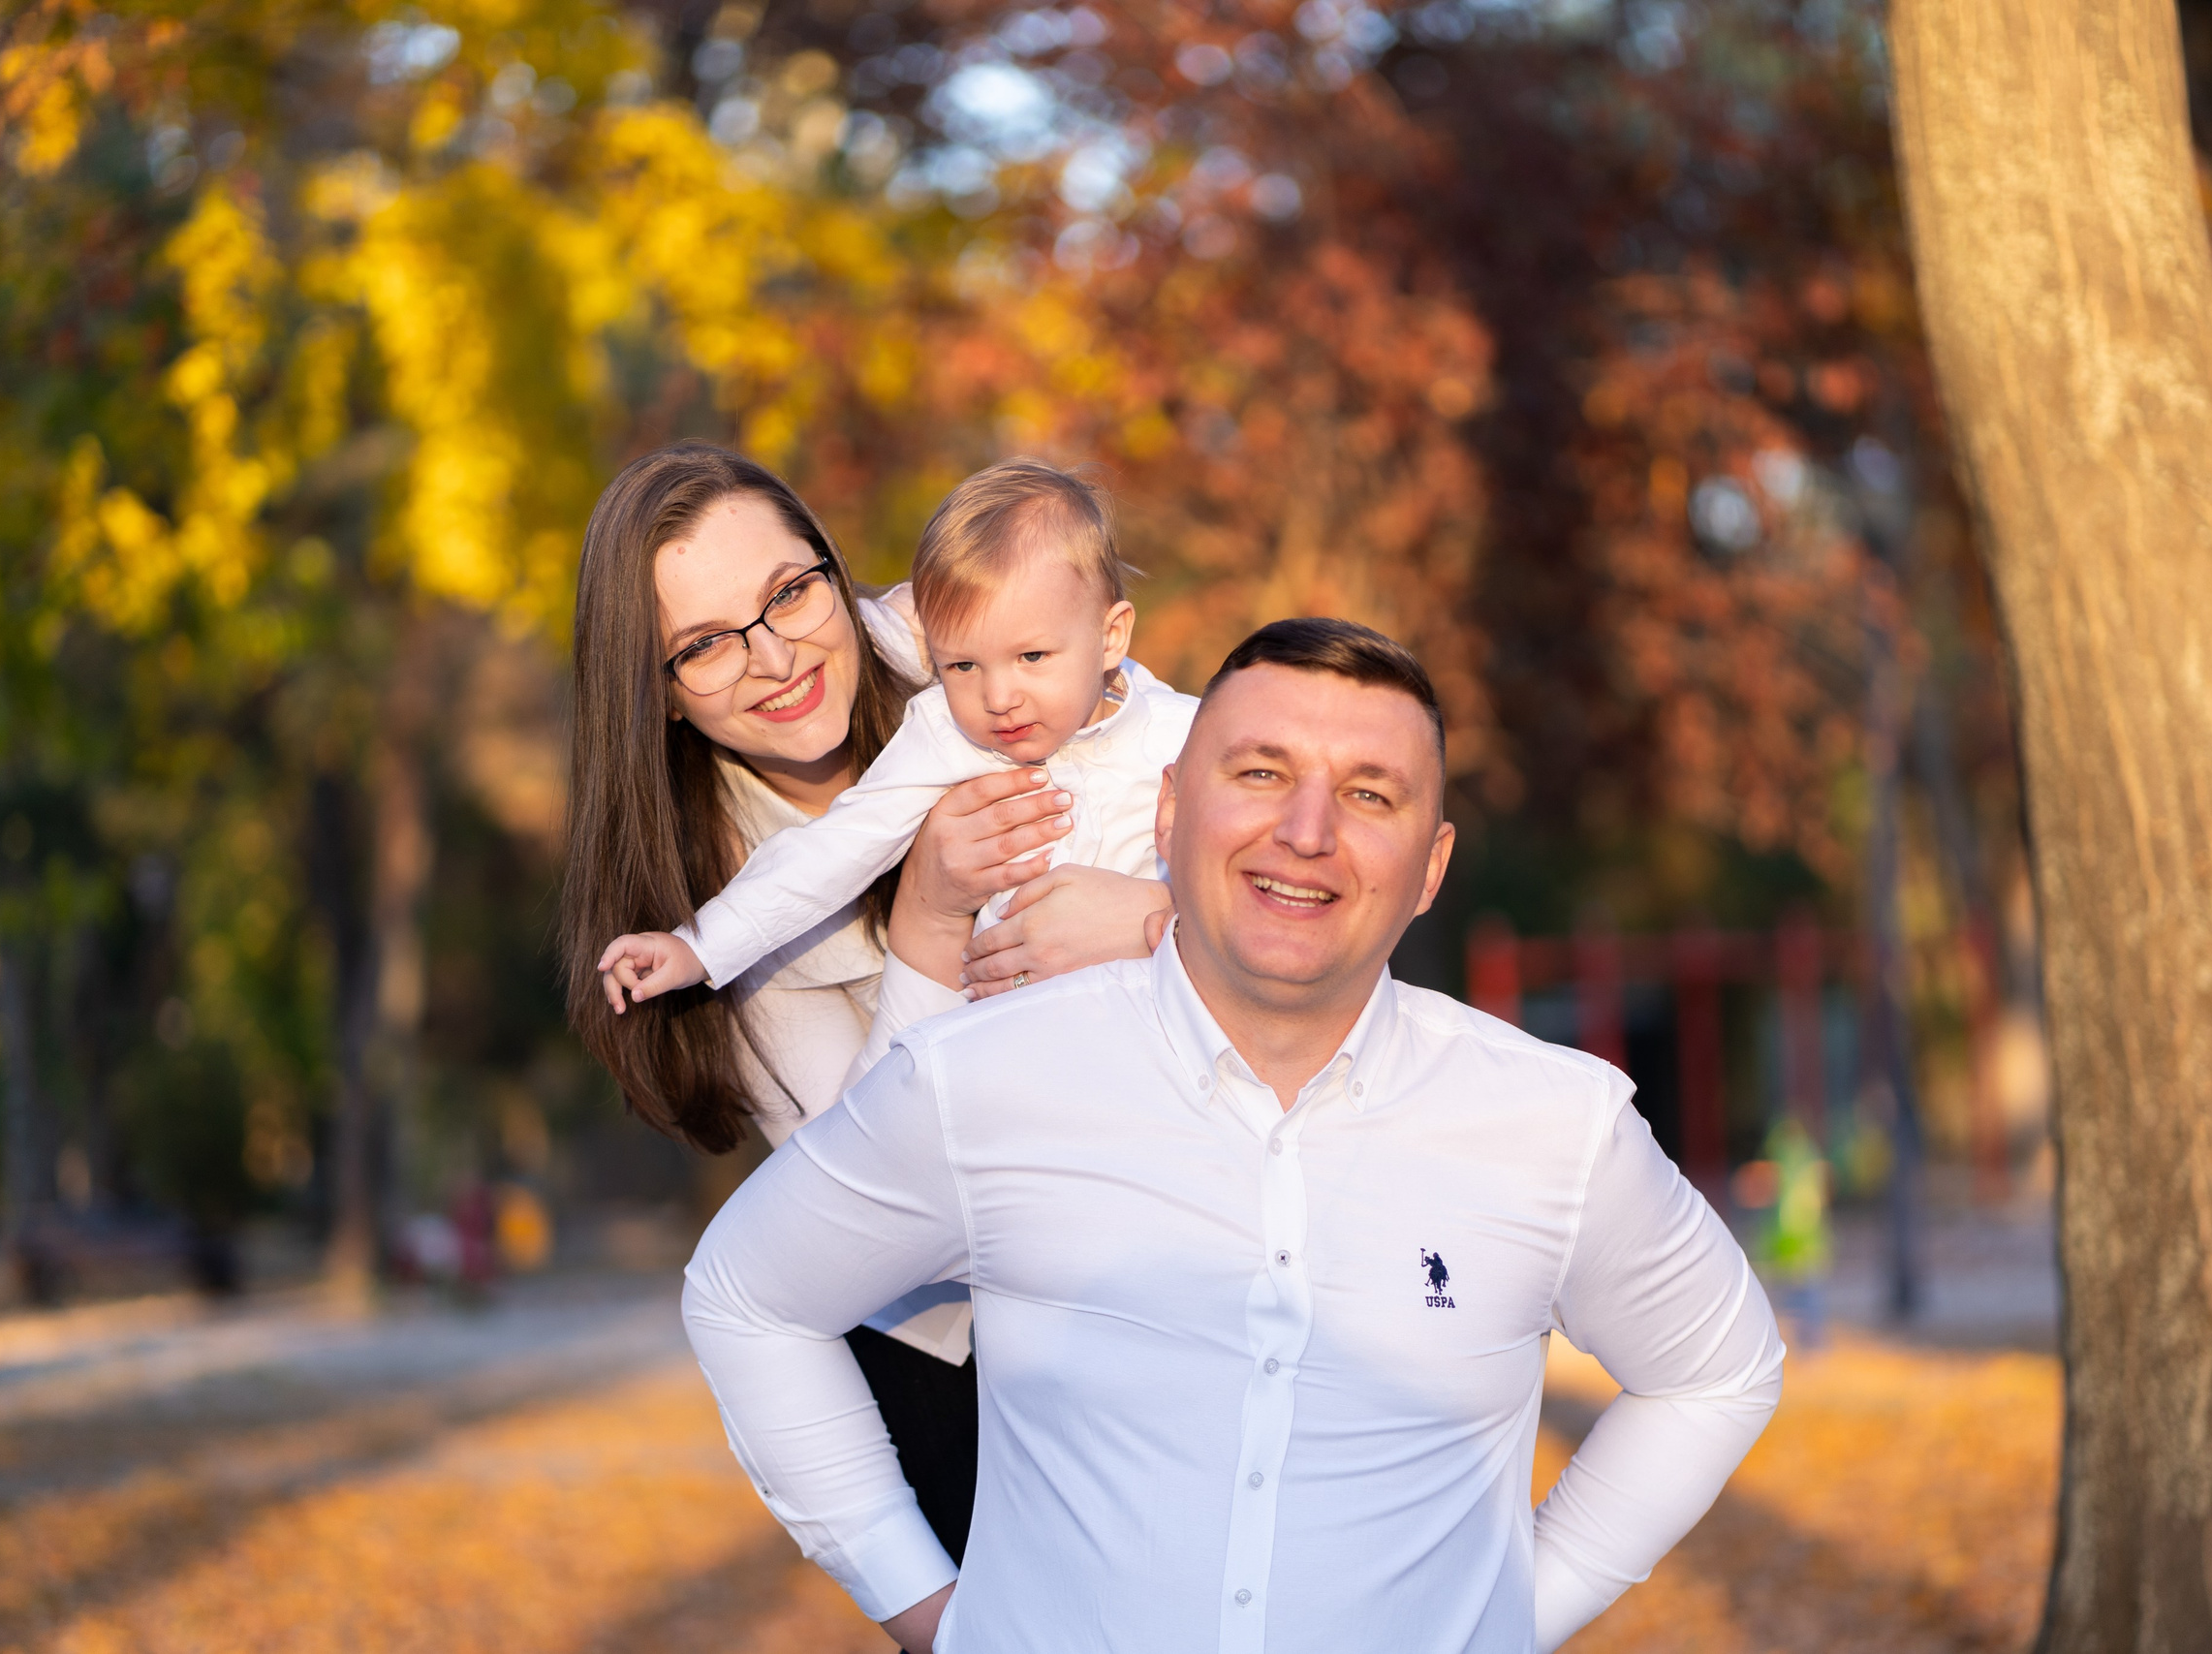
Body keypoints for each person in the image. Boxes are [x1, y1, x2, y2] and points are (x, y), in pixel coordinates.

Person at [684, 617, 1787, 1654]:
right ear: (1168, 814)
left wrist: (1516, 1611)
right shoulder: (982, 1083)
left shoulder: (1557, 1124)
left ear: (1432, 869)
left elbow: (1716, 1371)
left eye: (1369, 793)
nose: (1306, 833)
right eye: (1259, 774)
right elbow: (748, 1295)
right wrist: (924, 1605)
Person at [558, 441, 1171, 1565]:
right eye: (702, 645)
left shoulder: (970, 650)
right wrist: (931, 921)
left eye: (790, 592)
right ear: (660, 696)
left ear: (836, 572)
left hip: (1157, 1270)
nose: (774, 655)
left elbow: (1229, 824)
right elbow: (883, 1211)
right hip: (964, 1358)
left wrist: (1150, 921)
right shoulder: (714, 902)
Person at [594, 458, 1193, 1011]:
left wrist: (1167, 916)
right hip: (1018, 1032)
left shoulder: (1183, 733)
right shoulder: (945, 736)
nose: (998, 698)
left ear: (1111, 638)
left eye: (1032, 656)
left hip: (1170, 1017)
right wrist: (699, 948)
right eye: (962, 666)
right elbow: (833, 847)